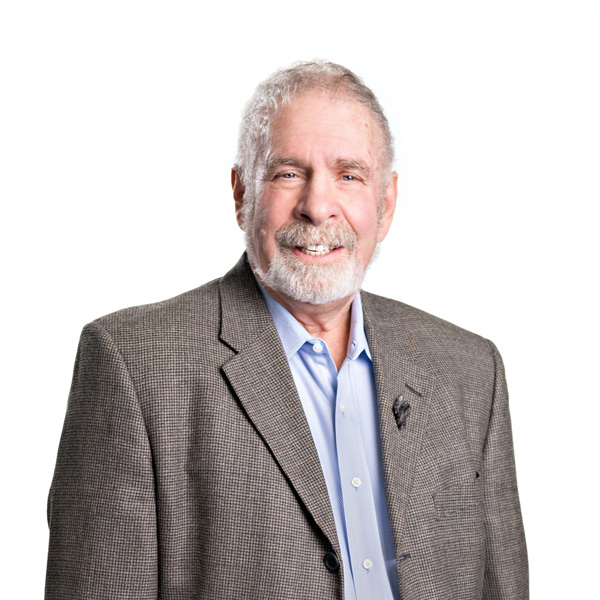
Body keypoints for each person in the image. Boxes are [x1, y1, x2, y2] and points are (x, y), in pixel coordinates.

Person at [46, 60, 528, 599]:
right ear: (240, 193)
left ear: (386, 204)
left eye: (349, 175)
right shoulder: (133, 365)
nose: (318, 206)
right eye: (288, 173)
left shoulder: (468, 371)